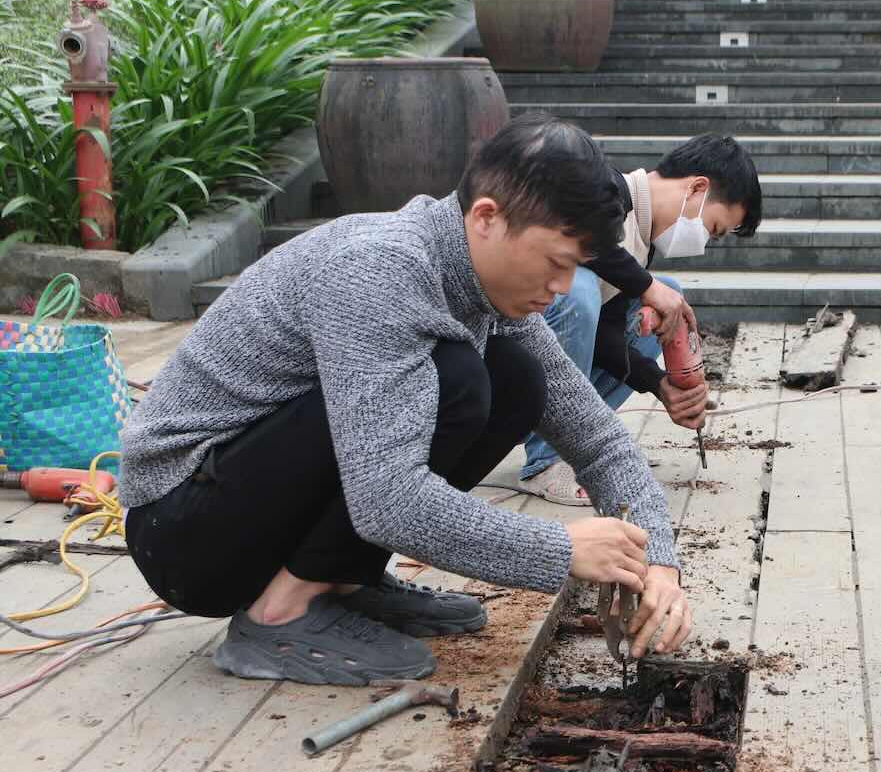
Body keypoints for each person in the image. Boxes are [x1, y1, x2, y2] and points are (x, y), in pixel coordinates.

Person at [117, 113, 693, 685]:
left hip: (242, 504)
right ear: (487, 218)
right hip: (185, 529)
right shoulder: (380, 271)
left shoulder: (483, 290)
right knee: (460, 378)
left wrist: (658, 561)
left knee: (517, 377)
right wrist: (559, 547)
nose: (563, 288)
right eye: (556, 263)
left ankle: (343, 583)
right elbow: (386, 500)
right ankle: (279, 613)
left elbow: (596, 438)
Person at [518, 134, 762, 506]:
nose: (703, 243)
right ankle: (544, 462)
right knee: (580, 290)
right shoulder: (606, 186)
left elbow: (601, 340)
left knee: (667, 300)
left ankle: (578, 441)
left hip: (539, 385)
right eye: (713, 229)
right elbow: (575, 233)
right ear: (697, 188)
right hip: (500, 357)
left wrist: (660, 384)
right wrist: (645, 286)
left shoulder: (641, 245)